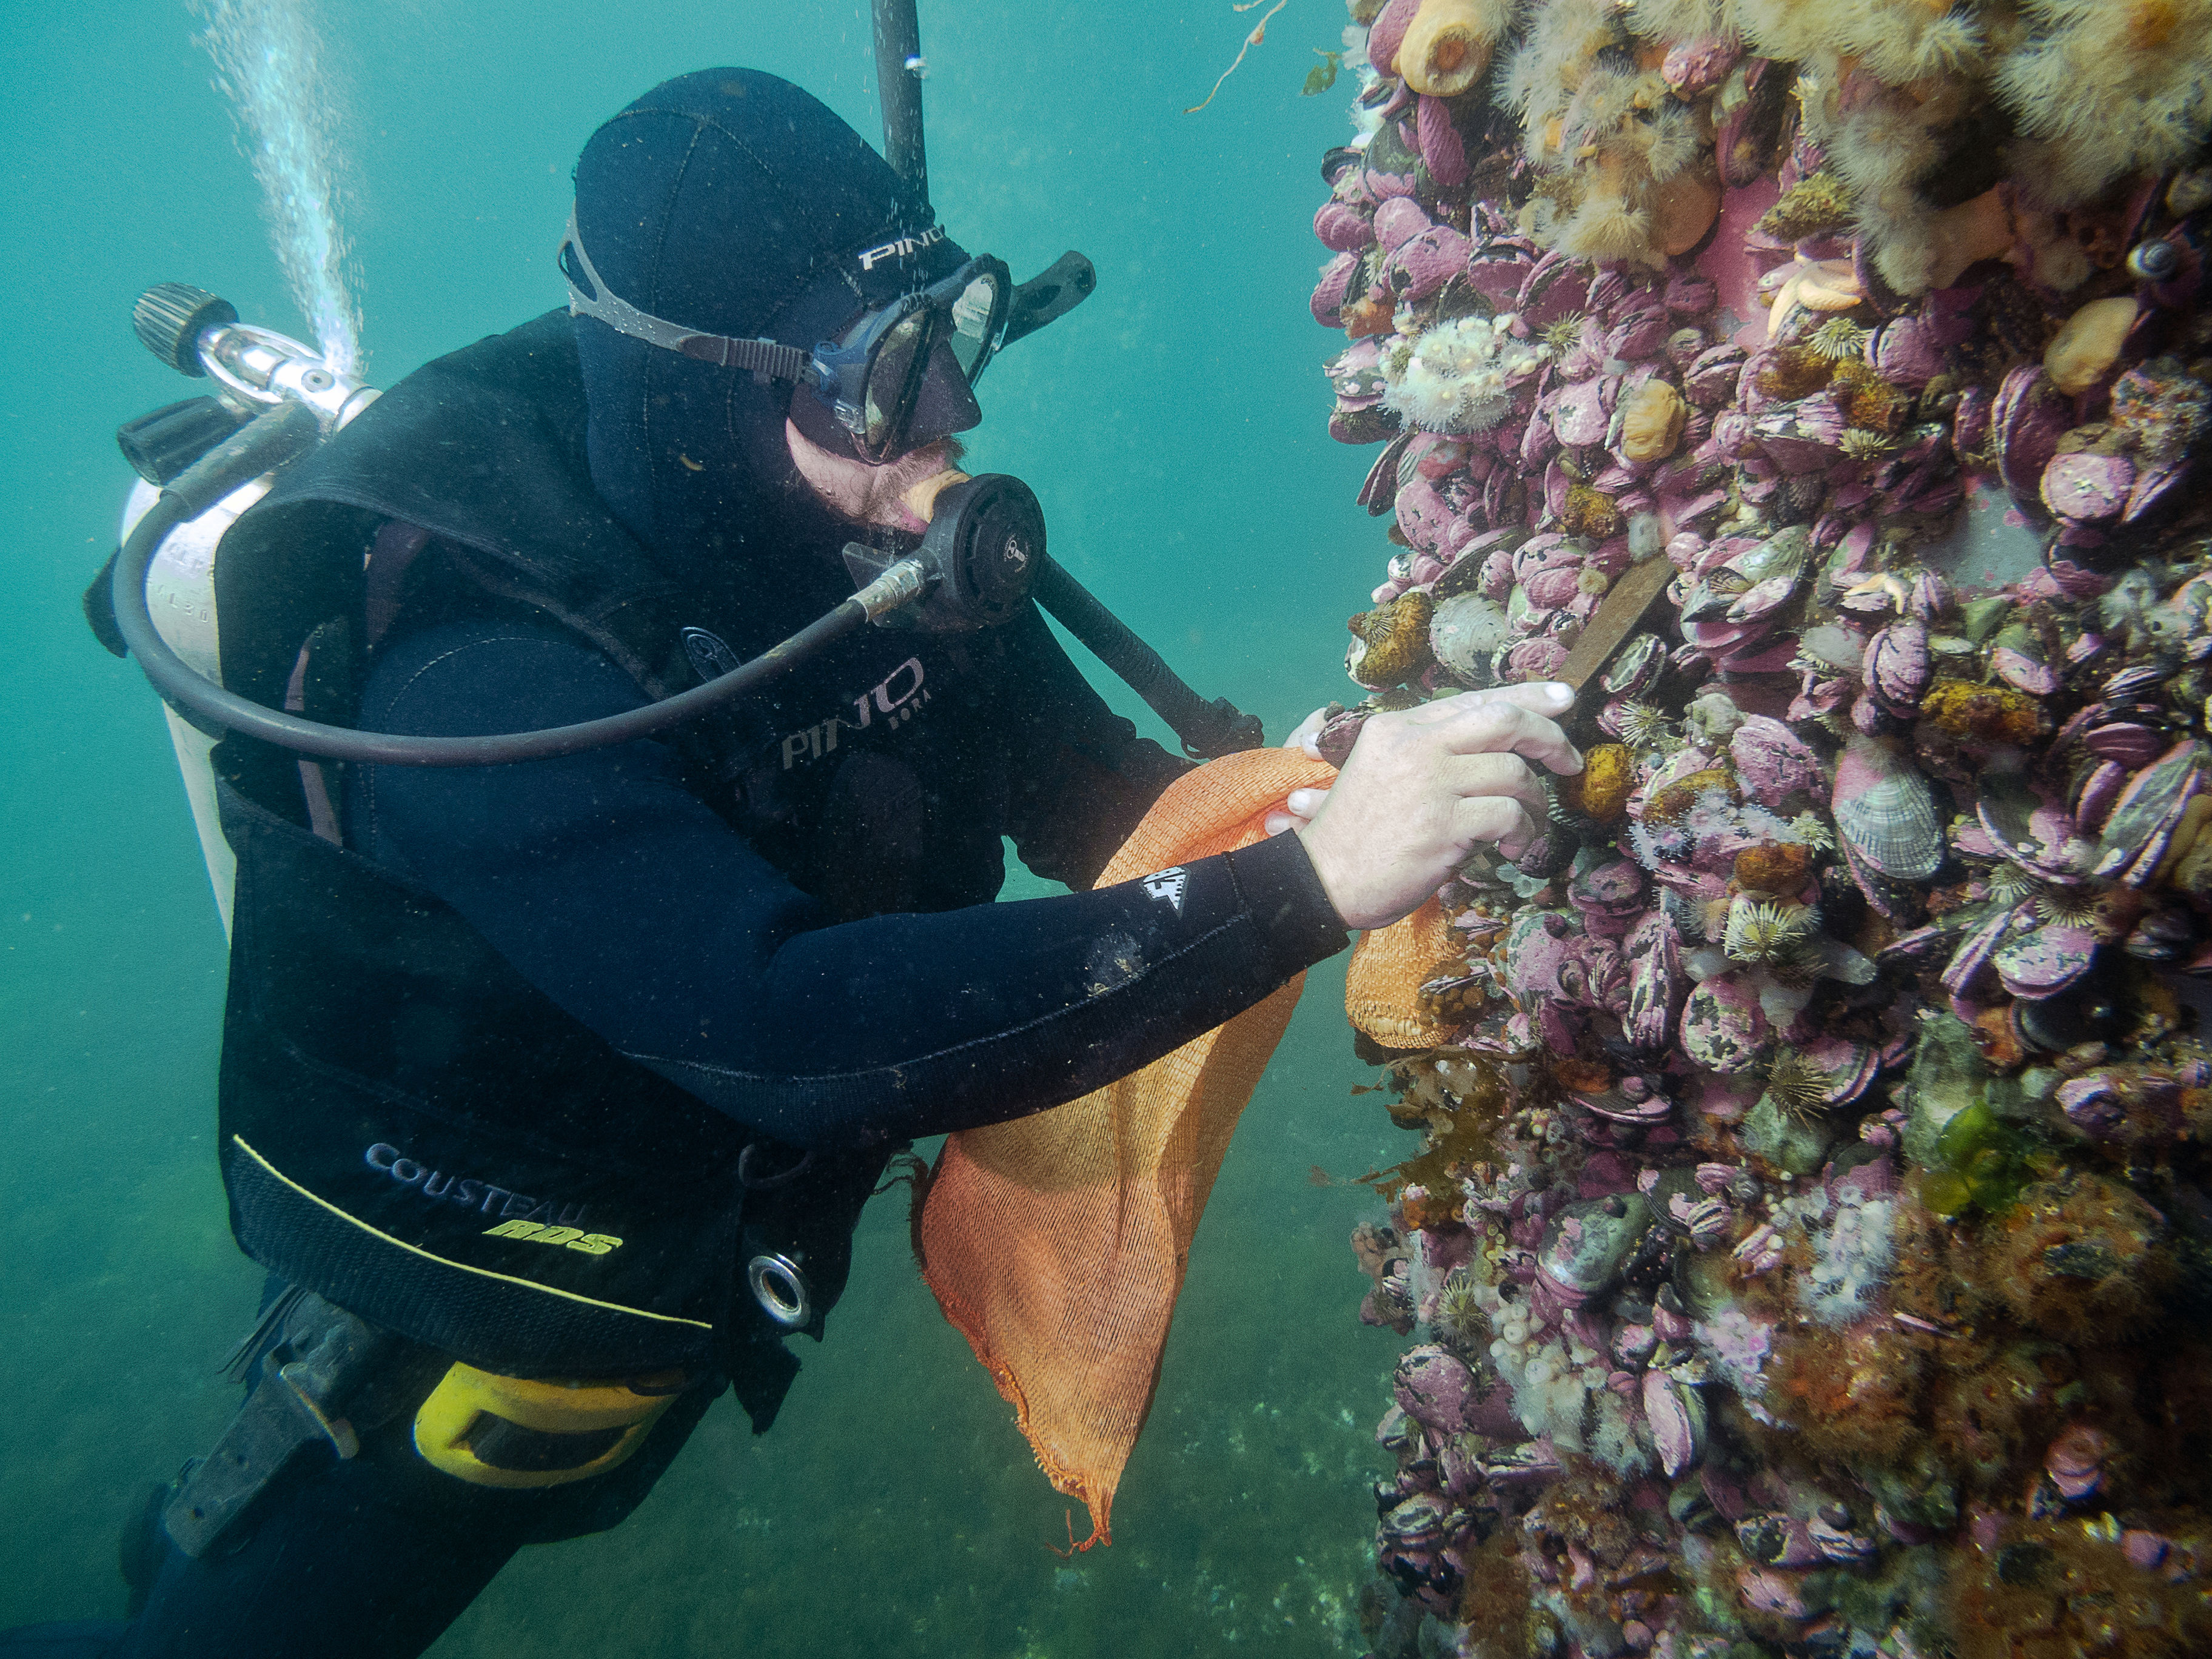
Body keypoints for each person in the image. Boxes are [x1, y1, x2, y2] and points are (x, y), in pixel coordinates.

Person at [7, 69, 1579, 1658]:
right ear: (708, 397)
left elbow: (1083, 789)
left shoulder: (882, 527)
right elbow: (784, 1030)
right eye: (884, 373)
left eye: (951, 335)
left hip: (733, 1240)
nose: (954, 416)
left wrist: (1280, 801)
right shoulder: (479, 674)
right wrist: (1302, 893)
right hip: (495, 1308)